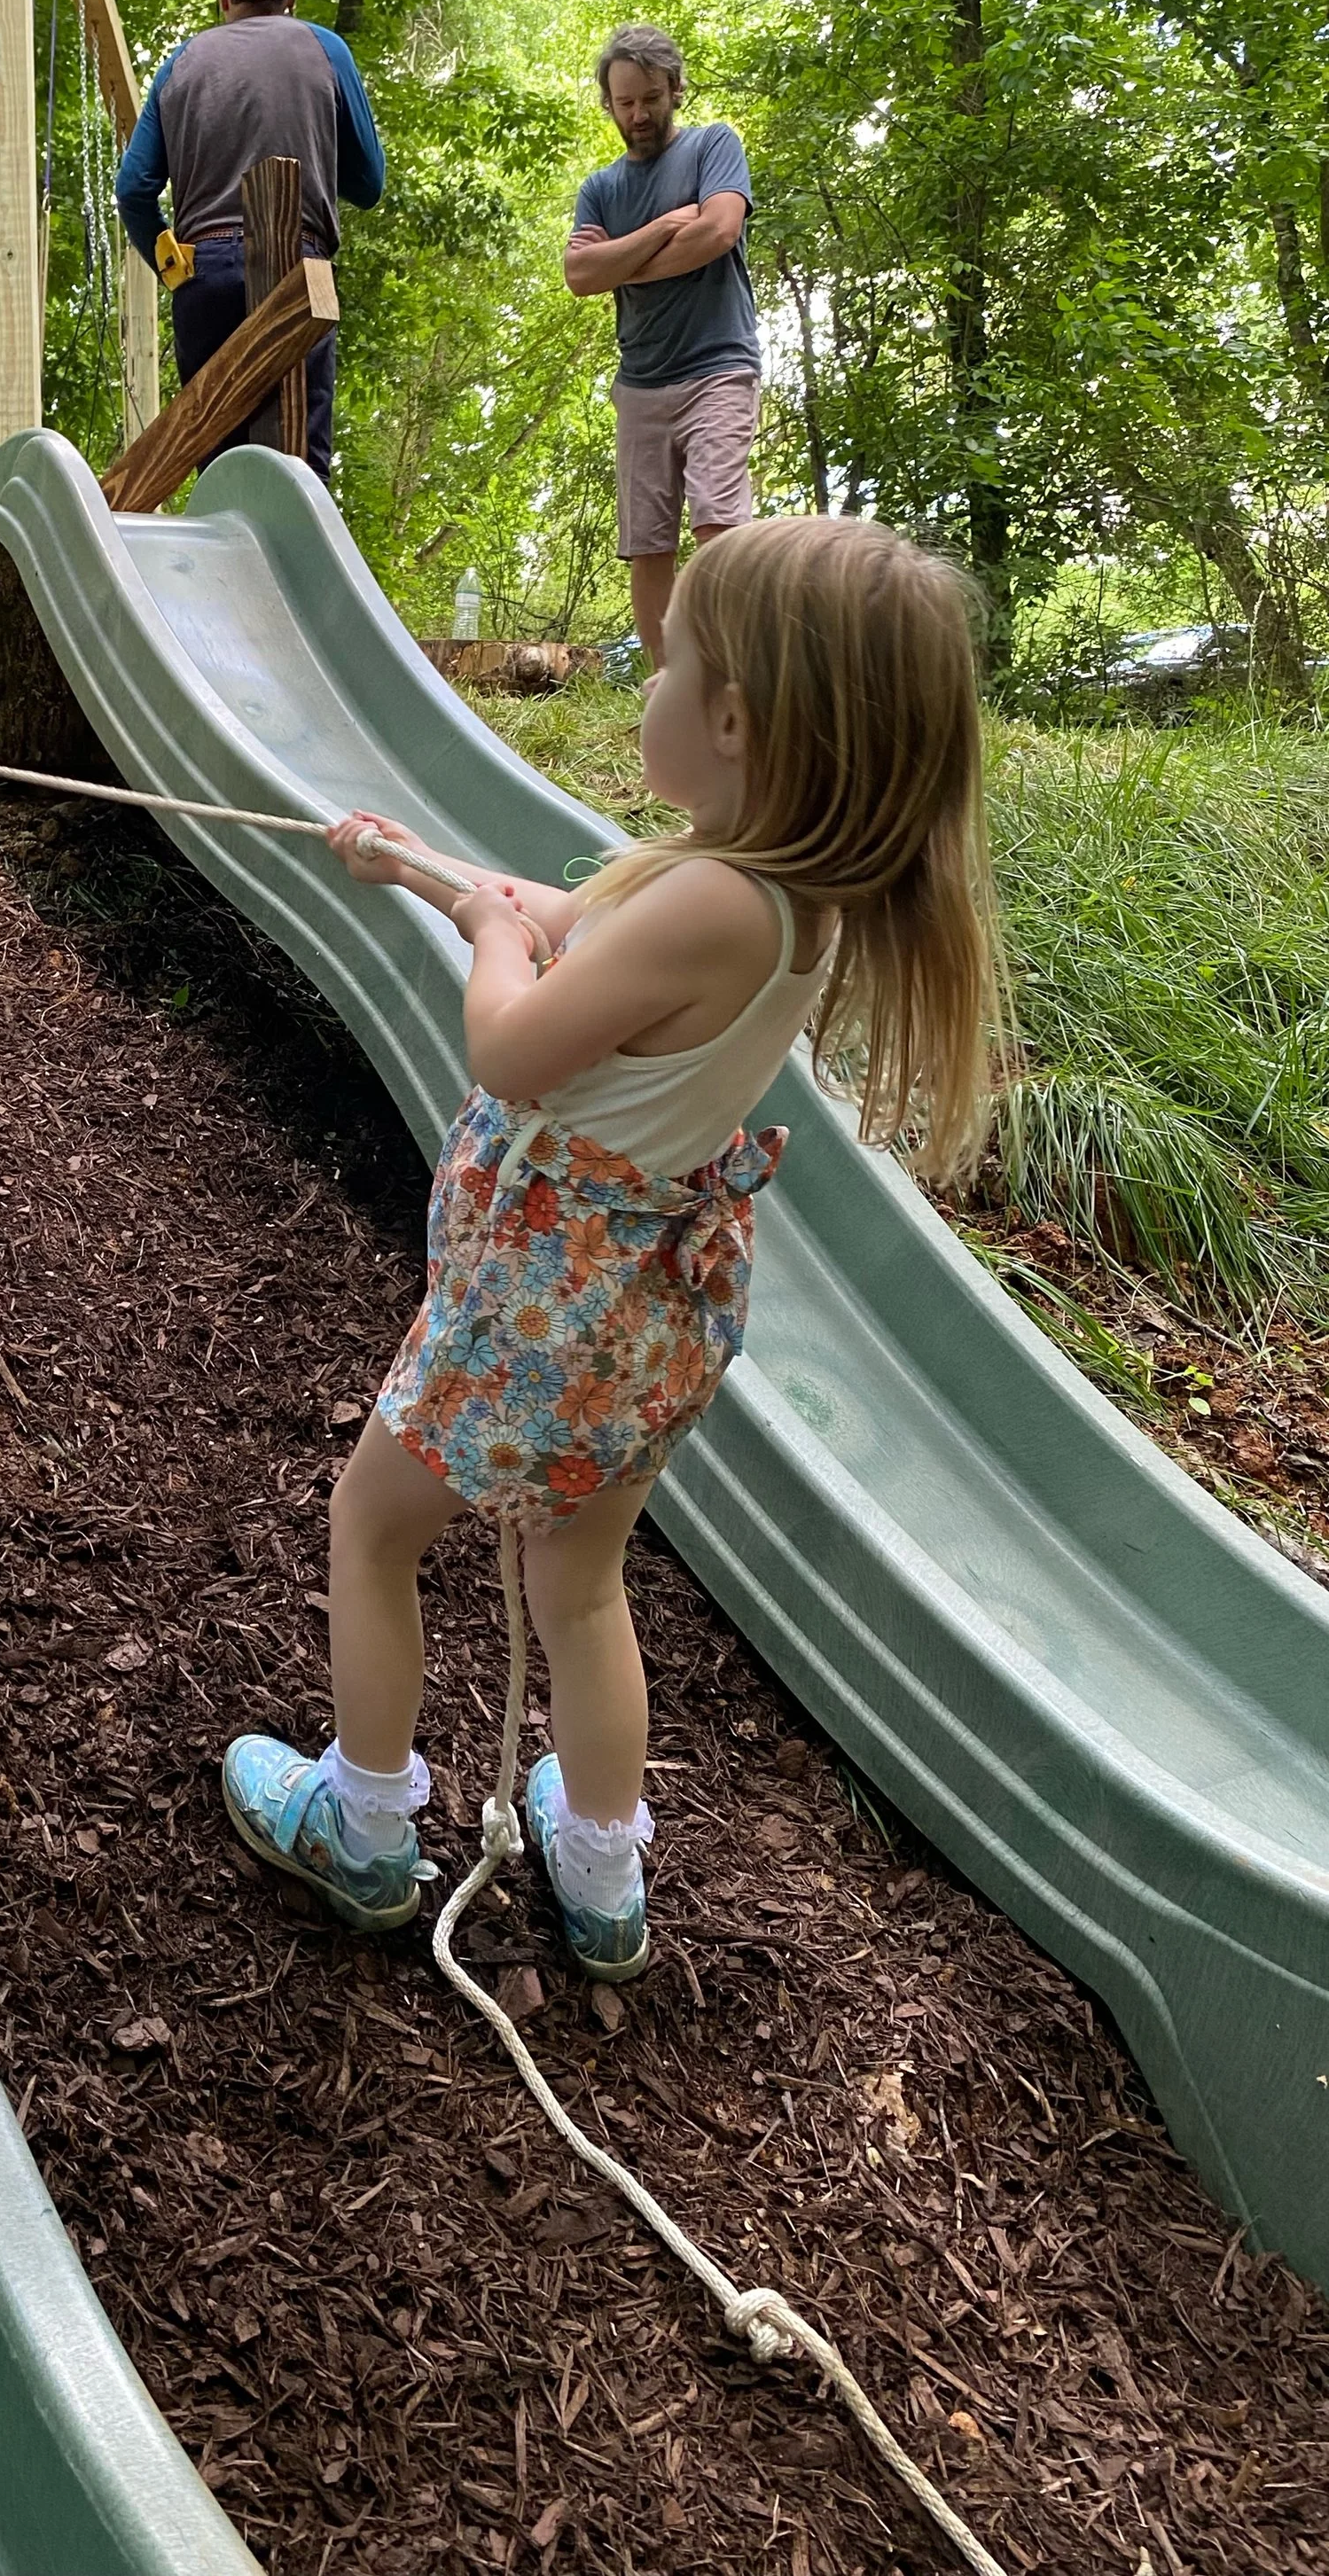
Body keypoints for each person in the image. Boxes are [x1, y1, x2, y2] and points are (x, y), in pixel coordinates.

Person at [222, 516, 1000, 1979]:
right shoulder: (777, 894)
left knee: (376, 1526)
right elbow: (557, 920)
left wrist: (488, 940)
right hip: (649, 1303)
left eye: (667, 661)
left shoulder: (709, 899)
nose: (643, 685)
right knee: (580, 1585)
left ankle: (368, 1827)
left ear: (735, 717)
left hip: (541, 1297)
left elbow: (516, 1042)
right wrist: (426, 873)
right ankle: (598, 1872)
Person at [115, 0, 385, 488]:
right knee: (301, 472)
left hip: (204, 277)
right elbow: (368, 183)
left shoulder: (181, 62)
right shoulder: (325, 48)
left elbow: (134, 189)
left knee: (218, 468)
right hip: (299, 270)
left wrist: (174, 266)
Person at [565, 27, 761, 669]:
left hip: (719, 367)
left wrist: (623, 262)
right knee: (647, 545)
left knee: (719, 525)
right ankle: (667, 688)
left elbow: (718, 231)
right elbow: (579, 276)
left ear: (676, 89)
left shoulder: (714, 145)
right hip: (641, 382)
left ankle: (729, 680)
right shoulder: (601, 189)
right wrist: (657, 230)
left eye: (651, 98)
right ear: (608, 104)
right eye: (625, 103)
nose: (639, 115)